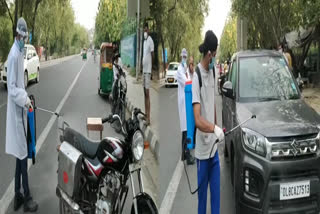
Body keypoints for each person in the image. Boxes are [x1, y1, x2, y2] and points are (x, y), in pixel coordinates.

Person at [5, 17, 38, 212]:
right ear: (19, 34)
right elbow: (11, 88)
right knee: (23, 155)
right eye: (23, 37)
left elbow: (18, 85)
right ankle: (27, 198)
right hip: (17, 112)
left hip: (20, 110)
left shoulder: (18, 52)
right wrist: (25, 99)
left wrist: (26, 98)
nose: (25, 40)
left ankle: (17, 195)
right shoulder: (14, 55)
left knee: (20, 156)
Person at [192, 30, 224, 214]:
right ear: (210, 53)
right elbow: (197, 119)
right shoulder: (196, 76)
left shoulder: (212, 71)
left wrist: (217, 128)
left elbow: (211, 103)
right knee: (202, 200)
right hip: (203, 153)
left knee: (216, 199)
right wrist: (213, 128)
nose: (215, 58)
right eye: (215, 54)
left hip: (214, 151)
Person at [176, 49, 195, 165]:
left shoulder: (185, 70)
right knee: (186, 129)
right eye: (183, 56)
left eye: (185, 57)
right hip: (184, 103)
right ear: (180, 57)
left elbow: (191, 78)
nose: (184, 58)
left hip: (187, 101)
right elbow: (188, 82)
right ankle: (187, 157)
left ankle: (184, 154)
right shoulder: (179, 70)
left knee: (186, 129)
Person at [142, 23, 154, 125]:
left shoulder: (150, 41)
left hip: (148, 71)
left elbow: (152, 54)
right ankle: (145, 114)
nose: (145, 32)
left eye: (146, 30)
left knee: (148, 94)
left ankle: (148, 118)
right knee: (144, 93)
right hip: (144, 70)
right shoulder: (144, 42)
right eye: (144, 30)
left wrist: (151, 70)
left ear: (148, 30)